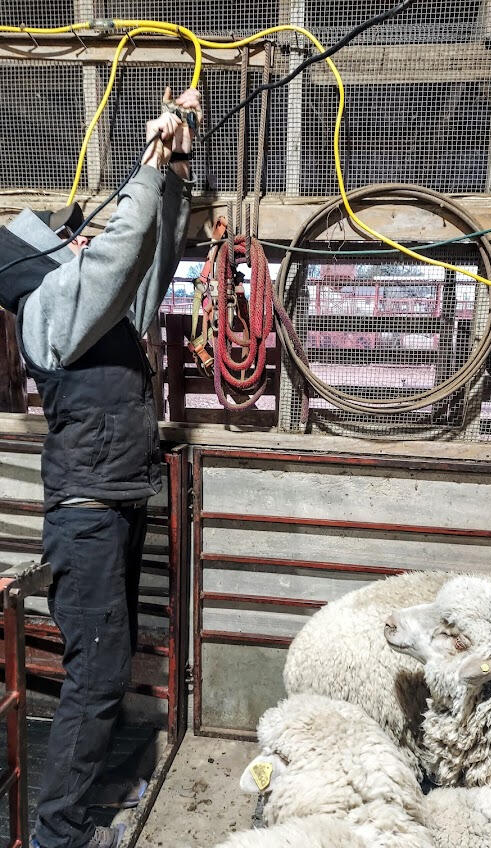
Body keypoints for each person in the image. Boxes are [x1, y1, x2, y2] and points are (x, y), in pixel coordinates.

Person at [0, 85, 202, 848]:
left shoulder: (99, 313)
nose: (75, 242)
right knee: (95, 676)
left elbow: (145, 261)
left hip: (116, 501)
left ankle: (72, 817)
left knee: (104, 672)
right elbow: (117, 251)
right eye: (60, 244)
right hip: (85, 518)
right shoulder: (48, 316)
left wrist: (172, 165)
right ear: (37, 271)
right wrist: (145, 178)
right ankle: (58, 835)